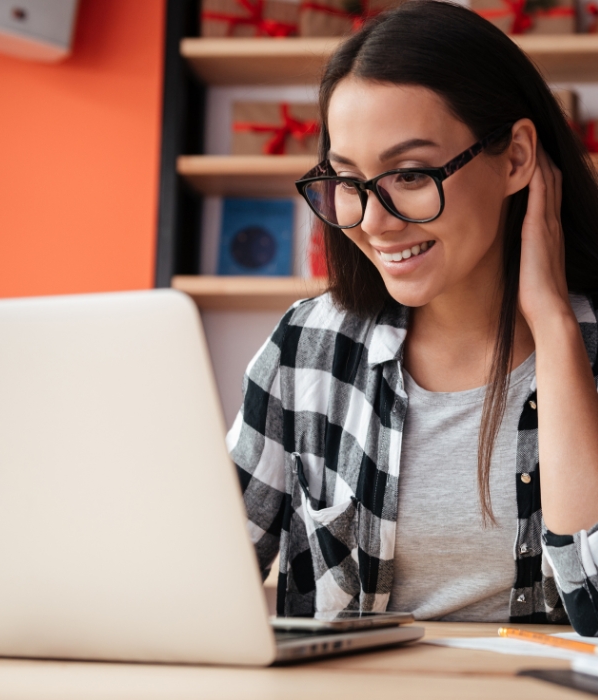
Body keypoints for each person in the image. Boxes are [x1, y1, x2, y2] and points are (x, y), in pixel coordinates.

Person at [226, 0, 598, 634]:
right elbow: (205, 575)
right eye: (348, 179)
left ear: (514, 157)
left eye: (409, 174)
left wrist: (556, 330)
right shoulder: (308, 347)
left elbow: (595, 604)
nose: (373, 221)